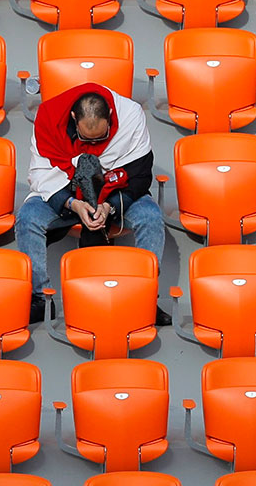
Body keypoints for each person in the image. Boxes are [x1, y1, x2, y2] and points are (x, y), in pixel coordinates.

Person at [15, 82, 170, 325]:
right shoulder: (48, 117)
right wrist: (72, 204)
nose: (94, 145)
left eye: (101, 137)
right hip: (66, 190)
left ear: (110, 115)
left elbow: (140, 172)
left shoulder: (130, 115)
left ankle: (145, 297)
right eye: (87, 138)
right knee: (28, 218)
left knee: (151, 217)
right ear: (73, 117)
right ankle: (40, 298)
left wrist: (109, 206)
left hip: (116, 190)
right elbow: (41, 174)